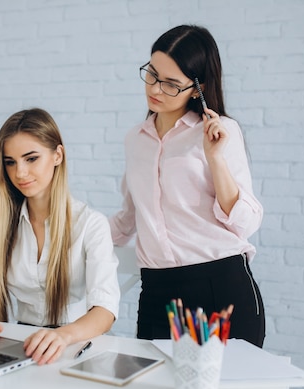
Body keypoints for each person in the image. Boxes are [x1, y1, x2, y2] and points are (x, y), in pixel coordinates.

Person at [109, 25, 265, 347]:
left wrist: (215, 159)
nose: (155, 89)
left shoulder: (221, 133)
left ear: (197, 88)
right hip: (156, 291)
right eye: (151, 74)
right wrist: (70, 237)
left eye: (170, 84)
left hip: (218, 284)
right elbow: (128, 218)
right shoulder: (135, 141)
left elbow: (245, 224)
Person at [0, 108, 120, 365]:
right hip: (22, 344)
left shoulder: (90, 224)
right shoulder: (1, 227)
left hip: (77, 345)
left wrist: (63, 336)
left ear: (57, 155)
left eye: (31, 159)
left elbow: (105, 310)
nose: (19, 173)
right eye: (10, 162)